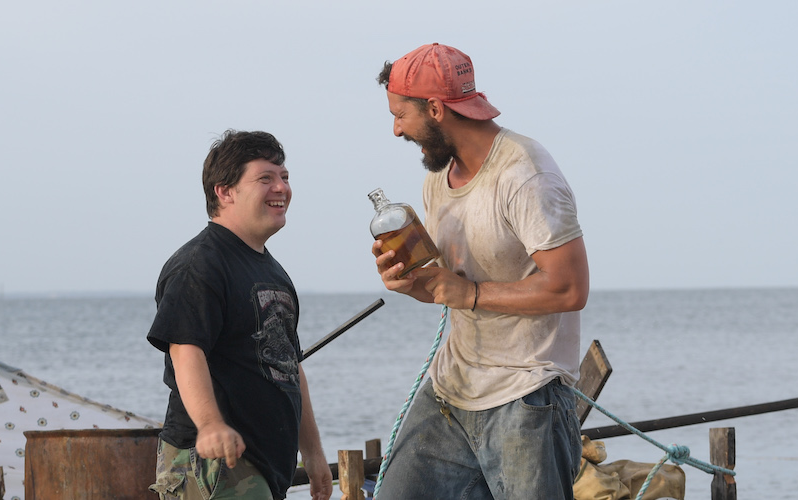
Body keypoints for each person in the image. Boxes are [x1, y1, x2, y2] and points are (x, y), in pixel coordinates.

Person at [371, 43, 590, 499]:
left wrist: (468, 293)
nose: (395, 131)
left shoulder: (525, 173)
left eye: (400, 115)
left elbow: (569, 289)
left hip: (525, 394)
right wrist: (411, 285)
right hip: (450, 388)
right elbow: (446, 287)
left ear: (434, 109)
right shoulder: (437, 180)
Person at [147, 130, 332, 500]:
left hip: (263, 464)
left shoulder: (273, 271)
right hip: (213, 464)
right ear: (225, 191)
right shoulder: (200, 264)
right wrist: (211, 425)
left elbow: (289, 366)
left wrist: (312, 453)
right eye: (265, 178)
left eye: (285, 177)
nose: (281, 187)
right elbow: (185, 350)